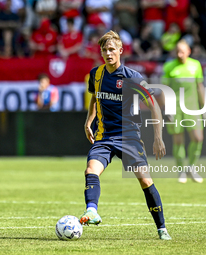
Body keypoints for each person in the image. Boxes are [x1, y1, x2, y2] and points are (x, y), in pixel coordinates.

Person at [79, 30, 171, 240]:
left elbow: (154, 106)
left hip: (129, 137)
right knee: (90, 170)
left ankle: (162, 228)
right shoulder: (96, 74)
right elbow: (95, 98)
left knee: (145, 181)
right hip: (104, 136)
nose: (108, 53)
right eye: (105, 50)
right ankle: (91, 210)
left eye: (112, 49)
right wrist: (88, 121)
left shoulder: (133, 77)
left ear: (121, 51)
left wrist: (158, 137)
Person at [161, 39, 206, 183]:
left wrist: (205, 105)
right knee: (178, 140)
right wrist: (167, 108)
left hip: (192, 107)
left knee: (198, 138)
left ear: (189, 51)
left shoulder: (195, 65)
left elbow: (200, 86)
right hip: (175, 108)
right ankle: (181, 171)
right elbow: (164, 89)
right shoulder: (169, 66)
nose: (179, 54)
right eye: (177, 51)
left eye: (182, 51)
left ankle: (192, 168)